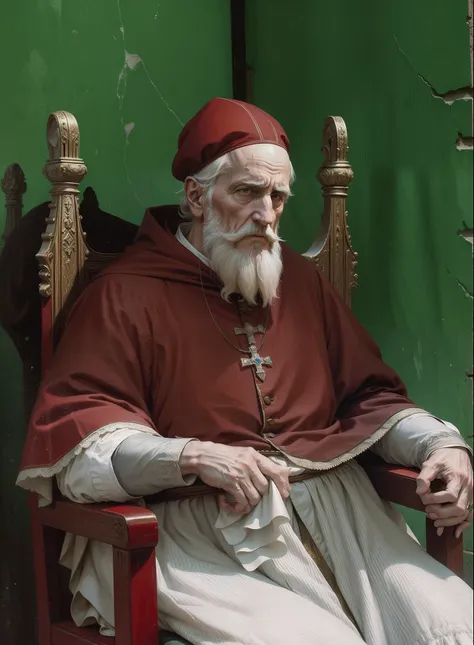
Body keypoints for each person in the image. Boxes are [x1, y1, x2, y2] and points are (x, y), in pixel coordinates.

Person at [16, 98, 473, 645]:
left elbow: (370, 397)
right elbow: (80, 448)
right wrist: (191, 455)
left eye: (277, 197)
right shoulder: (123, 295)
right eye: (246, 193)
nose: (266, 214)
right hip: (195, 537)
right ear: (195, 196)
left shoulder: (300, 282)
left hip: (343, 518)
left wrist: (441, 445)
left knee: (454, 627)